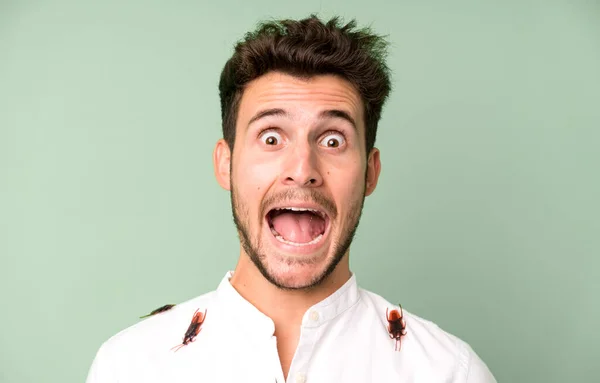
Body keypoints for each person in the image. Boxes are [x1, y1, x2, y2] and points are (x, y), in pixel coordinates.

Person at [86, 15, 497, 383]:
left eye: (333, 140)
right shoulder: (130, 367)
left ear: (370, 172)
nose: (302, 168)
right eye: (271, 137)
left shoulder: (449, 373)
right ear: (226, 164)